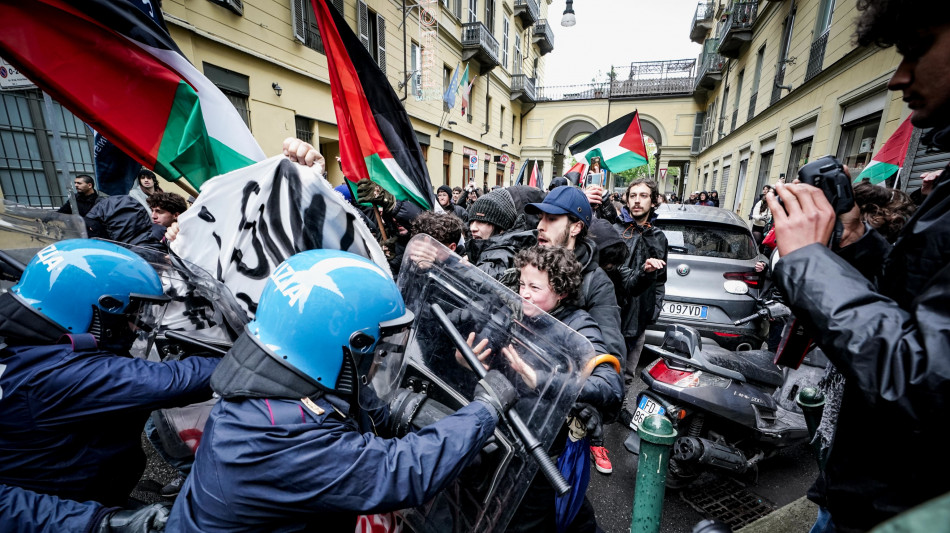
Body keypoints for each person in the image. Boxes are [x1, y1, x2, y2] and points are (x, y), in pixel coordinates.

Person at [764, 2, 950, 529]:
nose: (899, 78)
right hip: (868, 492)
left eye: (917, 47)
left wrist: (807, 263)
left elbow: (929, 386)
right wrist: (857, 241)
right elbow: (908, 308)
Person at [167, 249, 515, 532]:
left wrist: (418, 414)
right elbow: (401, 472)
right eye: (377, 347)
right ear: (350, 342)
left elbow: (356, 405)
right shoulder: (281, 436)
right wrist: (483, 410)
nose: (378, 358)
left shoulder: (278, 381)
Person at [0, 240, 219, 507]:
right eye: (134, 312)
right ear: (102, 307)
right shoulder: (60, 374)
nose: (137, 326)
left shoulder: (25, 341)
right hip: (65, 508)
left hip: (52, 487)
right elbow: (175, 381)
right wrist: (248, 358)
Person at [501, 245, 622, 532]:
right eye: (521, 284)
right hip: (515, 441)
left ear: (561, 291)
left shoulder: (579, 326)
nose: (524, 292)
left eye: (534, 286)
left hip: (548, 452)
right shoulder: (523, 315)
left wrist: (543, 380)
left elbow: (610, 384)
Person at [524, 186, 625, 475]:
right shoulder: (529, 261)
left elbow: (609, 354)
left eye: (552, 219)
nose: (541, 226)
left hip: (560, 410)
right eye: (540, 217)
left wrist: (590, 400)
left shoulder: (596, 283)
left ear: (576, 227)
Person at [608, 178, 668, 386]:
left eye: (643, 196)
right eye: (633, 196)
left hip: (640, 314)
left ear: (653, 201)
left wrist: (654, 308)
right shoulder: (614, 231)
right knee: (606, 365)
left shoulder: (659, 237)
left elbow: (660, 280)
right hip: (613, 312)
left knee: (628, 370)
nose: (637, 201)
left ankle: (621, 406)